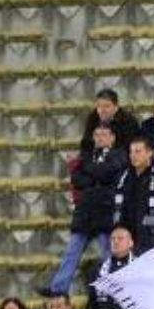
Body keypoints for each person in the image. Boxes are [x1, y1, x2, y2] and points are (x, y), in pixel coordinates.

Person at [43, 123, 124, 296]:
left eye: (104, 134)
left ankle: (114, 289)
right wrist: (95, 176)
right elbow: (77, 179)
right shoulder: (87, 155)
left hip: (105, 211)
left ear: (112, 137)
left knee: (109, 254)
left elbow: (107, 173)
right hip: (85, 211)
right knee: (71, 252)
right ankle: (58, 288)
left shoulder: (119, 154)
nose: (100, 138)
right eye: (97, 135)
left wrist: (90, 172)